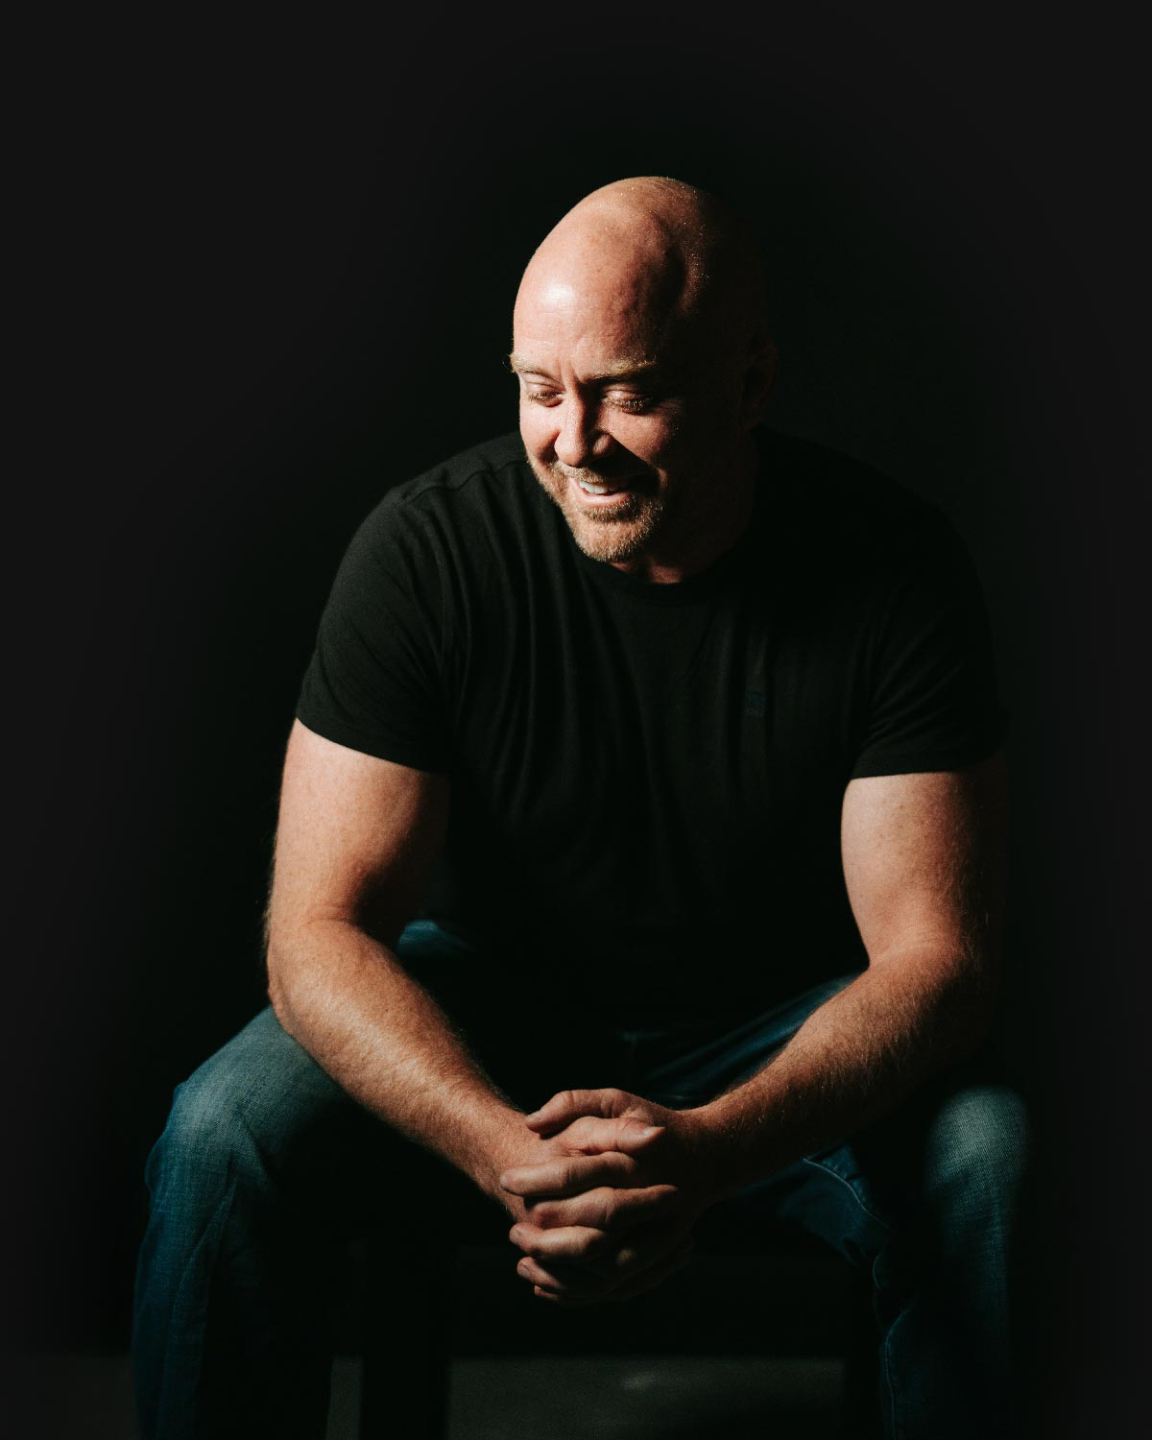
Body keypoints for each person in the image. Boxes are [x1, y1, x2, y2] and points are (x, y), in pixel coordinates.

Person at [132, 177, 1029, 1438]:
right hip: (490, 1005)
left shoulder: (895, 569)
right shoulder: (425, 553)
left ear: (751, 384)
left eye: (630, 392)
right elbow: (315, 935)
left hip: (776, 1021)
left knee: (987, 1158)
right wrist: (504, 1148)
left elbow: (939, 965)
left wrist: (706, 1150)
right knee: (221, 1128)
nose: (574, 440)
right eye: (540, 389)